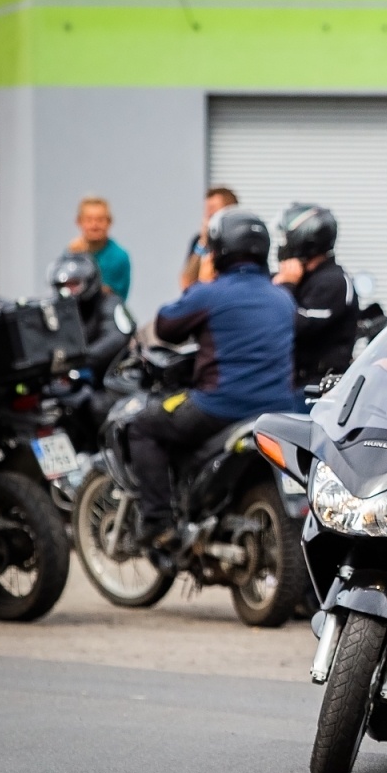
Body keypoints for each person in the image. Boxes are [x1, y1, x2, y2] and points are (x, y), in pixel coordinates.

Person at [132, 208, 297, 554]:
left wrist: (202, 281)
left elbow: (164, 327)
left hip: (219, 406)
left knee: (143, 427)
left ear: (219, 250)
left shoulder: (210, 294)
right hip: (278, 410)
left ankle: (159, 522)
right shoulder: (283, 298)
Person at [272, 203, 359, 392]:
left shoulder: (333, 282)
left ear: (305, 239)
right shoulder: (301, 277)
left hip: (317, 388)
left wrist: (285, 287)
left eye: (286, 238)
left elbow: (293, 325)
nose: (282, 244)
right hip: (289, 381)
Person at [49, 251, 133, 385]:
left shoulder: (110, 302)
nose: (68, 292)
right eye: (63, 286)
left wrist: (77, 361)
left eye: (74, 284)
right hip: (67, 378)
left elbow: (116, 337)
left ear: (90, 282)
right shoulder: (54, 309)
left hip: (107, 378)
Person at [68, 197, 131, 303]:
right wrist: (73, 257)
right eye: (89, 220)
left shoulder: (119, 257)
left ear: (109, 222)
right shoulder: (70, 255)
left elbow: (112, 297)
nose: (94, 225)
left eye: (100, 220)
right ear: (79, 222)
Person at [181, 188, 238, 290]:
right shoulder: (199, 241)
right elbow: (186, 283)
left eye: (213, 209)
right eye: (207, 209)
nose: (208, 214)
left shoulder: (241, 241)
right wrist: (203, 242)